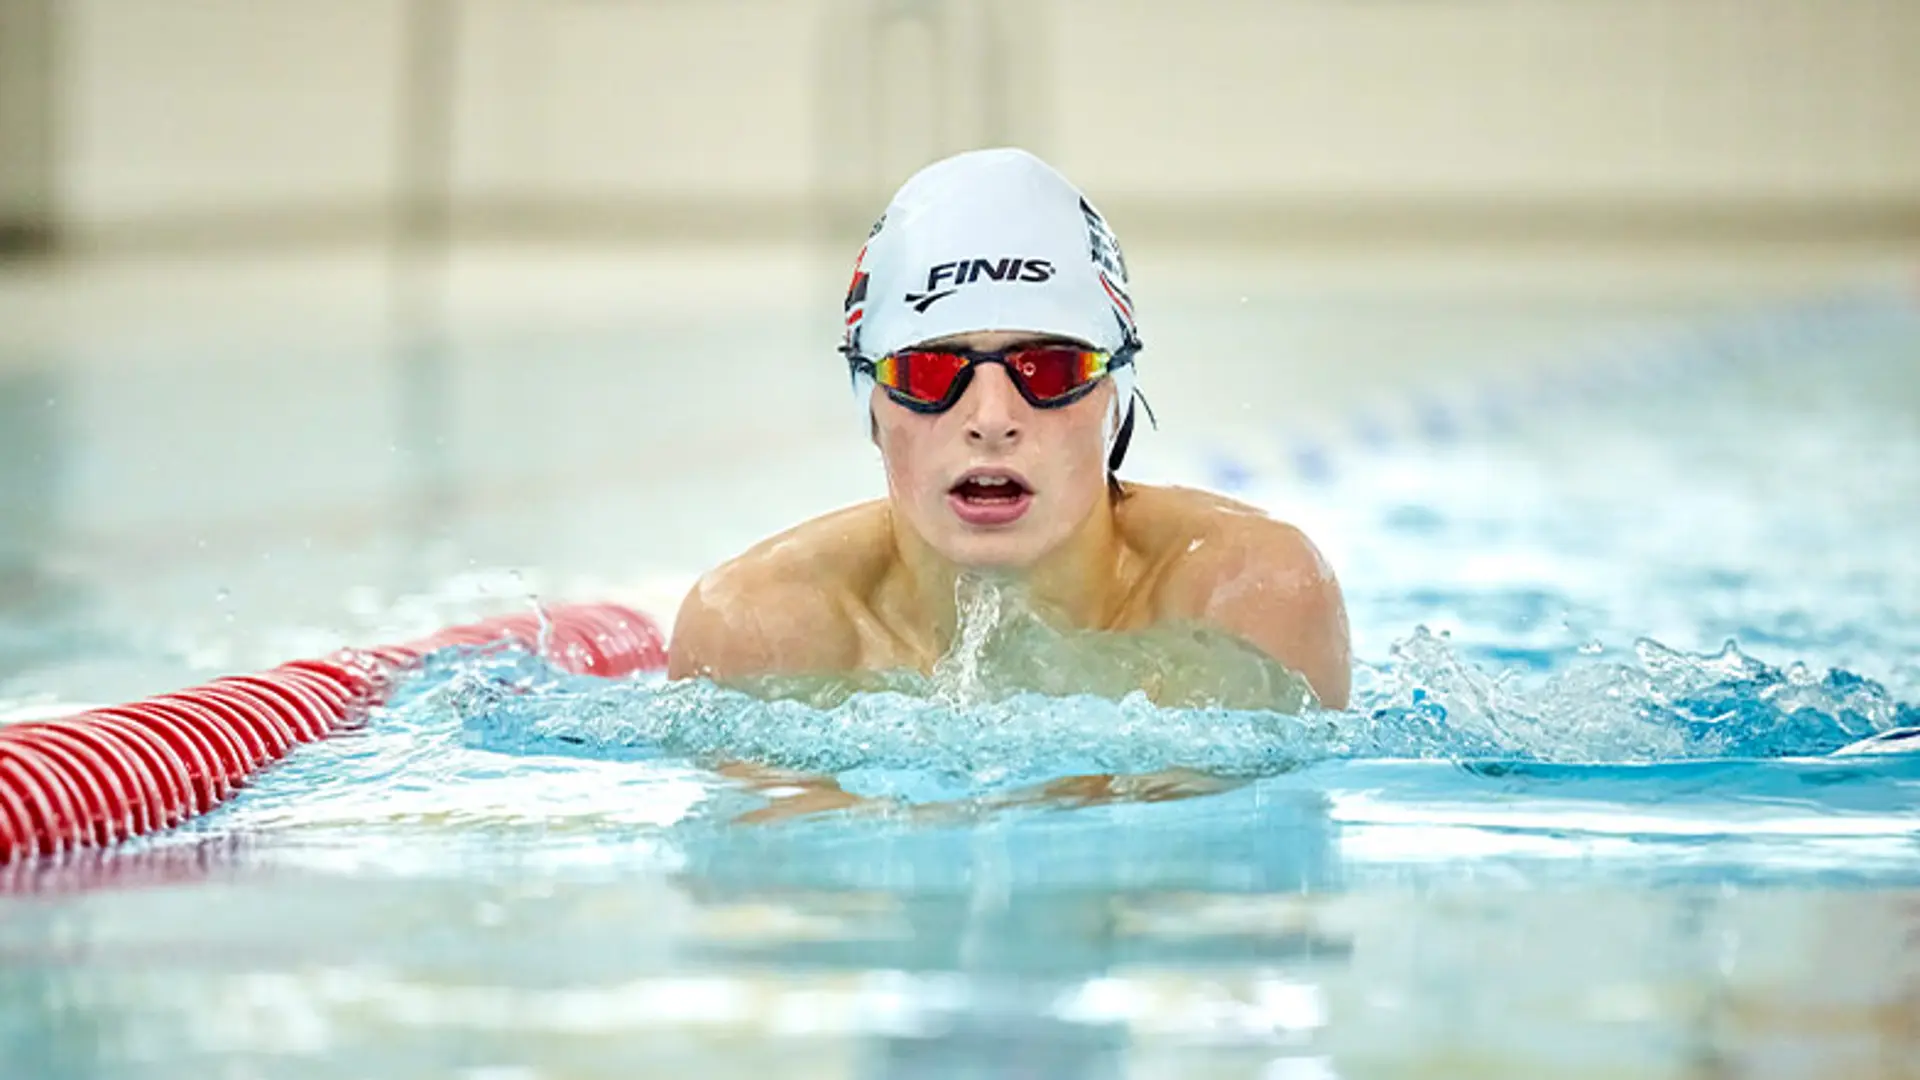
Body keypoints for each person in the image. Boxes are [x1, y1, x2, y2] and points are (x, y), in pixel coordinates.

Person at [669, 148, 1350, 711]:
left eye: (1047, 369)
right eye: (930, 373)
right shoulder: (758, 637)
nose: (992, 420)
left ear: (1116, 397)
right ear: (870, 405)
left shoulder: (1248, 603)